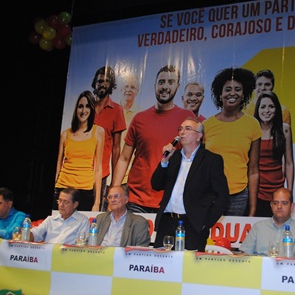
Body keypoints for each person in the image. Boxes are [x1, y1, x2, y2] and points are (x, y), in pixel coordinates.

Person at [112, 65, 195, 213]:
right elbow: (124, 158)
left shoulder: (187, 119)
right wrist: (115, 191)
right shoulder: (139, 118)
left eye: (170, 82)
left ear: (177, 86)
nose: (165, 86)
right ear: (155, 85)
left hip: (171, 201)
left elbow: (195, 159)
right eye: (161, 82)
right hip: (136, 200)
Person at [151, 117, 229, 251]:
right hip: (167, 222)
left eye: (188, 129)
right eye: (180, 129)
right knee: (162, 262)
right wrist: (164, 161)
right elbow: (156, 185)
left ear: (199, 136)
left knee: (189, 263)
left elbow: (223, 196)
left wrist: (205, 223)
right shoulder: (173, 157)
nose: (182, 132)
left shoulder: (211, 160)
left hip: (193, 224)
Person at [203, 67, 261, 216]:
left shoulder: (253, 125)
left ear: (244, 94)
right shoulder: (206, 125)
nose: (232, 93)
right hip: (210, 194)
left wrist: (253, 208)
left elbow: (253, 171)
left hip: (239, 197)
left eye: (238, 89)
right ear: (220, 94)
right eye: (228, 89)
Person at [55, 90, 105, 211]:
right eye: (80, 106)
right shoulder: (65, 134)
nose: (83, 110)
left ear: (92, 109)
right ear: (76, 109)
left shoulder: (98, 132)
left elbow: (98, 169)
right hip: (63, 188)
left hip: (85, 190)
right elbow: (58, 166)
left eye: (87, 106)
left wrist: (97, 202)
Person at [91, 66, 127, 209]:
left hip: (101, 172)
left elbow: (116, 148)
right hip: (81, 171)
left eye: (106, 81)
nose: (102, 84)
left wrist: (114, 182)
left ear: (111, 85)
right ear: (95, 83)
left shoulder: (116, 109)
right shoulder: (86, 107)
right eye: (100, 81)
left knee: (96, 214)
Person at [253, 91, 294, 217]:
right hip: (255, 192)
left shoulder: (284, 130)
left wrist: (289, 192)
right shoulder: (252, 130)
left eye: (271, 106)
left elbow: (289, 163)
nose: (267, 110)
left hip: (277, 191)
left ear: (277, 109)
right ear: (258, 109)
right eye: (263, 107)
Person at [241, 188, 295, 258]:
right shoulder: (258, 227)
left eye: (284, 203)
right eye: (275, 203)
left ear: (292, 206)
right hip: (261, 266)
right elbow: (244, 256)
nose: (279, 206)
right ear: (271, 205)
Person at [119, 73, 141, 186]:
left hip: (127, 177)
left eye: (132, 87)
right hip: (105, 173)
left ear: (137, 91)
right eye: (126, 86)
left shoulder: (140, 115)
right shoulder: (113, 111)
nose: (129, 90)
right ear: (121, 89)